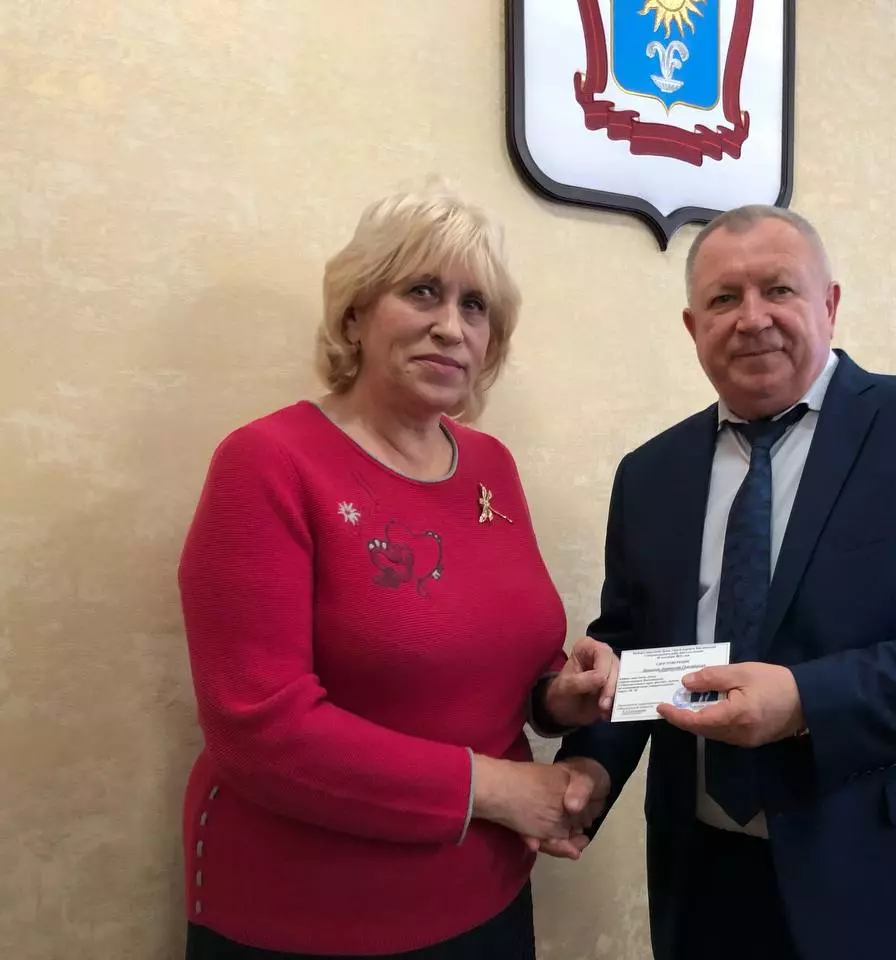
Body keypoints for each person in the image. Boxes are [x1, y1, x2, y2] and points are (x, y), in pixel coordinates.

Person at [545, 205, 896, 960]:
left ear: (829, 304)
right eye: (724, 298)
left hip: (887, 876)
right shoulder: (649, 473)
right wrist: (592, 761)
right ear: (692, 327)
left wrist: (805, 702)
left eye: (778, 289)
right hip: (705, 879)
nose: (753, 319)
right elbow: (635, 649)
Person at [176, 185, 616, 959]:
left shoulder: (490, 465)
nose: (451, 326)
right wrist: (498, 789)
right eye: (422, 292)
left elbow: (497, 657)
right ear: (355, 314)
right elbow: (261, 729)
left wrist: (557, 696)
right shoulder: (268, 463)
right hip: (313, 917)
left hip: (489, 893)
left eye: (475, 306)